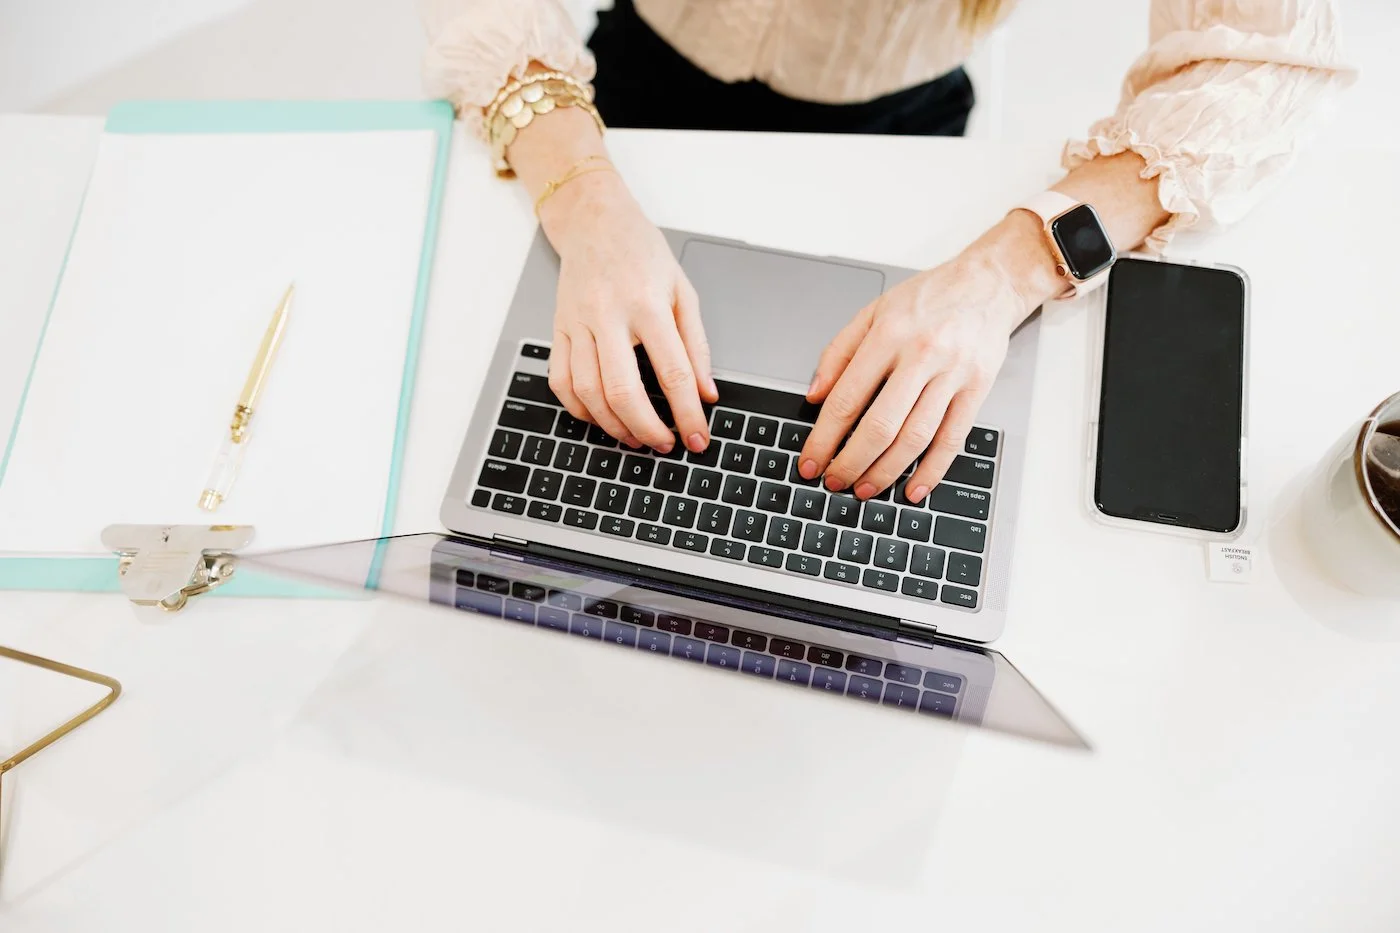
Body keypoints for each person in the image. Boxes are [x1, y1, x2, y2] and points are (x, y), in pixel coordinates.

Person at [420, 0, 1352, 503]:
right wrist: (582, 197)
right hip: (617, 90)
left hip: (897, 124)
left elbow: (1275, 61)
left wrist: (1005, 273)